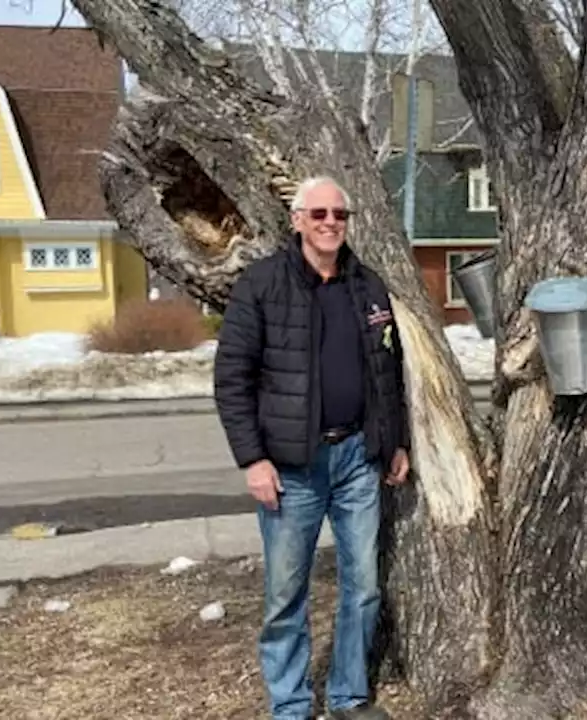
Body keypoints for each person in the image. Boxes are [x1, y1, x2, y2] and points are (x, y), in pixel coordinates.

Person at [213, 176, 411, 720]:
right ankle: (291, 705)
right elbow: (232, 378)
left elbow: (387, 372)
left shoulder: (367, 285)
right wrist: (252, 459)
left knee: (365, 585)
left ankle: (348, 696)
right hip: (290, 467)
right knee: (284, 597)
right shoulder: (262, 285)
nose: (330, 223)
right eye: (318, 213)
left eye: (339, 215)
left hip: (357, 460)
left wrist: (395, 442)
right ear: (297, 219)